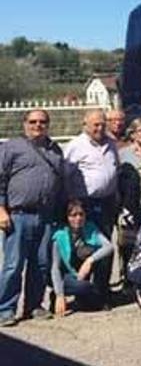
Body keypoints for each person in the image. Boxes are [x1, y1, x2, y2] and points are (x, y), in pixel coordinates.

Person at [0, 109, 65, 326]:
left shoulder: (55, 150)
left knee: (41, 264)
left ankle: (34, 305)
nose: (38, 125)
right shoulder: (11, 147)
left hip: (46, 217)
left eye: (42, 121)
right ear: (25, 123)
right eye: (33, 121)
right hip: (18, 216)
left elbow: (60, 184)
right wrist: (1, 210)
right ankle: (6, 309)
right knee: (13, 265)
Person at [51, 199, 114, 316]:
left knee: (104, 256)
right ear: (67, 217)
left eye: (81, 214)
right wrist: (59, 294)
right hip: (68, 276)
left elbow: (109, 247)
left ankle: (99, 295)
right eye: (73, 215)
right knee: (85, 288)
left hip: (84, 272)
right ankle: (57, 296)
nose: (78, 218)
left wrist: (90, 261)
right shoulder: (59, 236)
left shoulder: (90, 228)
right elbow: (56, 268)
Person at [64, 109, 120, 237]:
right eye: (96, 125)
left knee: (106, 240)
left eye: (103, 125)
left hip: (107, 202)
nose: (100, 128)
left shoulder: (111, 144)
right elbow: (66, 176)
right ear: (85, 125)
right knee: (89, 242)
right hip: (86, 203)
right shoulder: (76, 145)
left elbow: (115, 168)